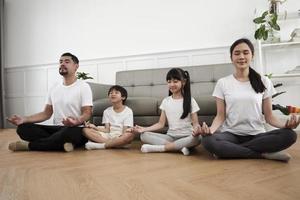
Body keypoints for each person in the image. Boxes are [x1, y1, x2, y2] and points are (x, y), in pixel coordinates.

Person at [197, 38, 299, 162]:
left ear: (252, 55)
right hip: (231, 134)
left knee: (290, 135)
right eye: (237, 53)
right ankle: (262, 154)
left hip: (257, 134)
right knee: (208, 140)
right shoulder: (223, 83)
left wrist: (286, 125)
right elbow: (220, 116)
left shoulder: (264, 81)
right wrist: (210, 130)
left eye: (245, 52)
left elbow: (269, 117)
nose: (241, 56)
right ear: (231, 58)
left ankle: (230, 151)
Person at [7, 53, 93, 152]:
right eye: (61, 62)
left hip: (74, 128)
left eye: (67, 61)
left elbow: (87, 113)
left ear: (76, 66)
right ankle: (61, 144)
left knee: (68, 133)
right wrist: (24, 119)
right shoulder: (54, 87)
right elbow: (46, 113)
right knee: (23, 128)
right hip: (56, 129)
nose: (62, 64)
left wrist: (77, 121)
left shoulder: (83, 86)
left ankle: (30, 146)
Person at [132, 68, 201, 156]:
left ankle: (161, 148)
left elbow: (195, 124)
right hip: (170, 137)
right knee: (143, 135)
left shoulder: (190, 100)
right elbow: (161, 124)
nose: (172, 84)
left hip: (187, 136)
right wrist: (144, 129)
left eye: (175, 81)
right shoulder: (166, 101)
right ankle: (179, 147)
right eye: (169, 82)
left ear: (183, 82)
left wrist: (197, 131)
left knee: (198, 138)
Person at [83, 85, 135, 150]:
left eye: (116, 93)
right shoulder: (107, 111)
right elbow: (107, 130)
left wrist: (121, 138)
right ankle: (117, 145)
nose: (113, 94)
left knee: (129, 135)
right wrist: (94, 127)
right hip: (108, 135)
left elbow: (124, 131)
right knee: (85, 130)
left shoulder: (128, 111)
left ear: (123, 97)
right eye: (111, 93)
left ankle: (101, 146)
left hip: (120, 135)